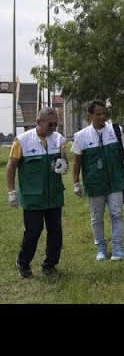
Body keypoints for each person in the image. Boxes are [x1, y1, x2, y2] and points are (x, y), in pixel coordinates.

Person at [6, 106, 68, 278]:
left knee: (55, 231)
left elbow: (63, 165)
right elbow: (11, 166)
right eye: (50, 124)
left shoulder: (59, 140)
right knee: (33, 231)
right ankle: (23, 262)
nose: (53, 128)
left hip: (53, 195)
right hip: (32, 195)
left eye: (56, 124)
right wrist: (11, 192)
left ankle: (50, 266)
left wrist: (63, 164)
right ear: (39, 122)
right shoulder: (22, 141)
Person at [71, 99, 124, 261]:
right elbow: (76, 161)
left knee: (117, 214)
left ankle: (118, 249)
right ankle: (101, 248)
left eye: (104, 114)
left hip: (115, 181)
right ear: (90, 115)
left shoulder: (115, 130)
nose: (102, 117)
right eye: (98, 114)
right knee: (97, 217)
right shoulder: (81, 136)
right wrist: (76, 183)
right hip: (95, 183)